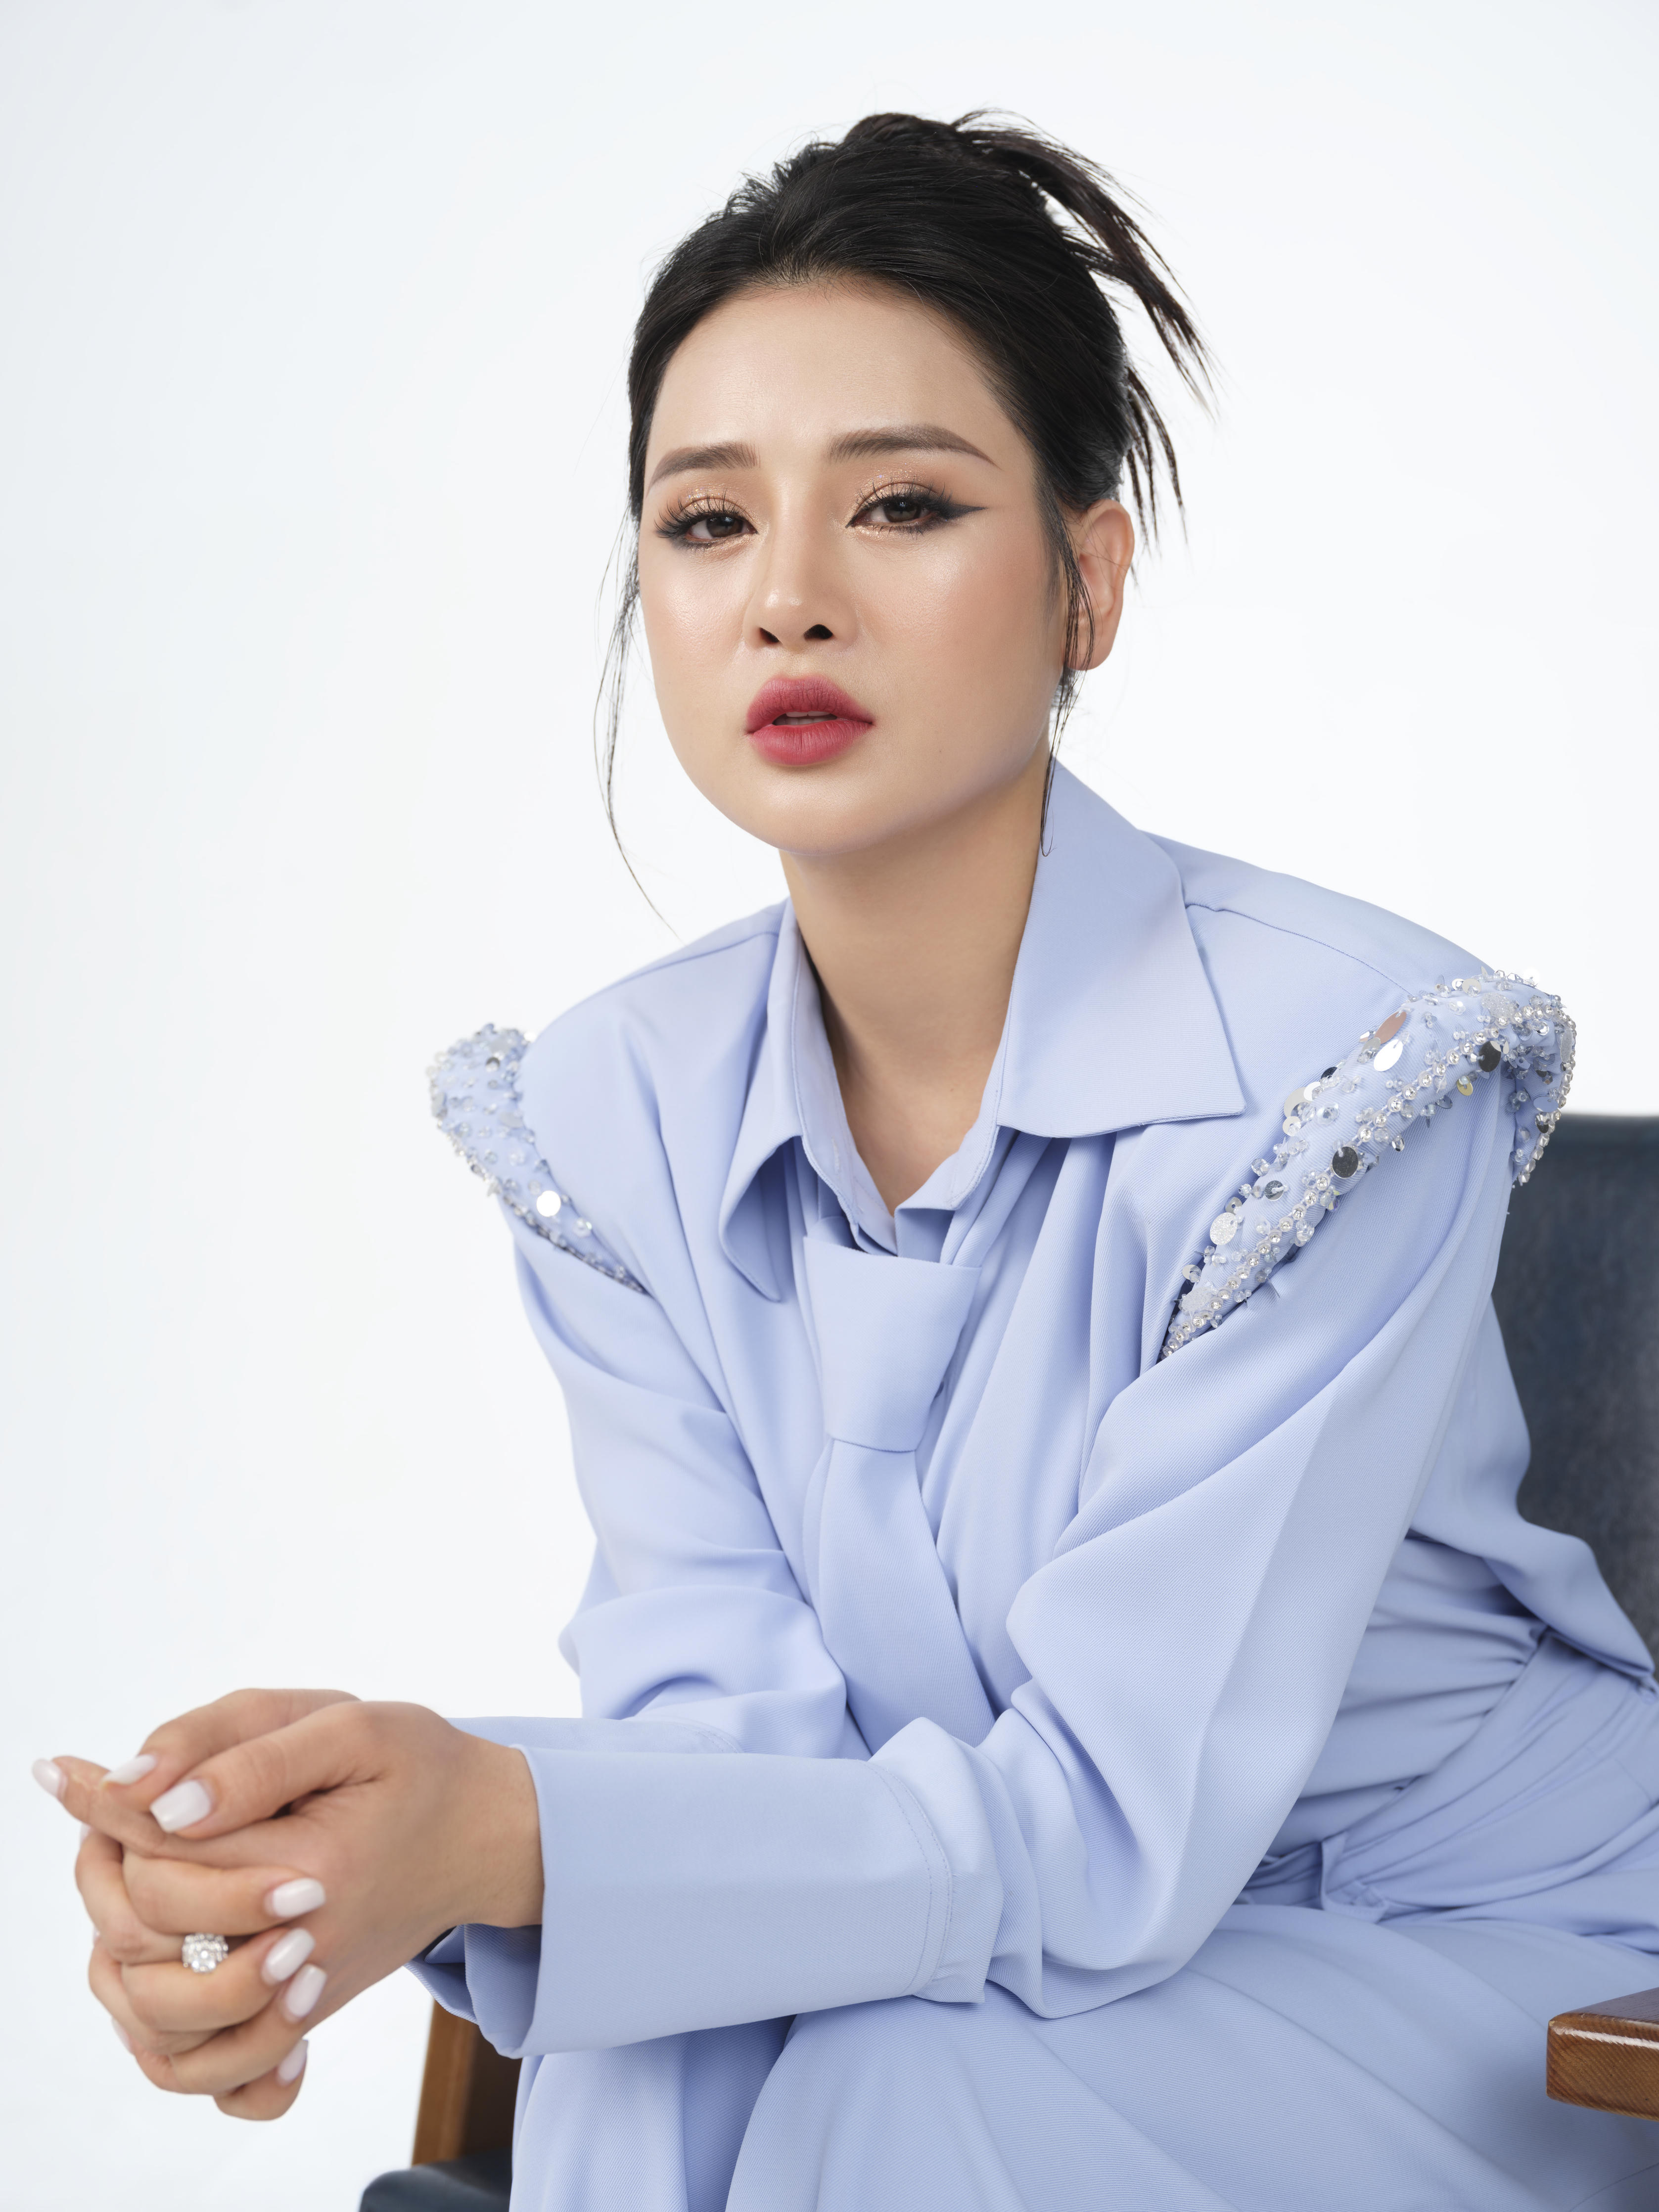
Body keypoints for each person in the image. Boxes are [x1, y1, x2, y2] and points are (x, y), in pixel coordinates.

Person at [34, 112, 1659, 2211]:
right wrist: (334, 1843)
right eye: (707, 522)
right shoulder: (613, 1109)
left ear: (1084, 580)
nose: (787, 598)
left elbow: (1109, 1826)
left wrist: (501, 1828)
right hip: (1009, 1945)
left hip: (1488, 1967)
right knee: (652, 2043)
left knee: (895, 2094)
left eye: (901, 503)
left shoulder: (1336, 1070)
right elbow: (735, 1749)